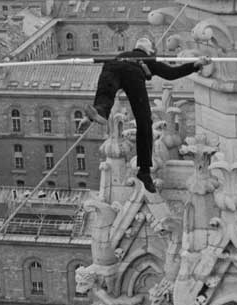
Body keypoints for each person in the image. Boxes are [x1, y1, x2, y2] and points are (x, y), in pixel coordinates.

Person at [85, 37, 210, 193]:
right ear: (149, 50)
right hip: (133, 72)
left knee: (106, 92)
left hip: (111, 66)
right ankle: (144, 171)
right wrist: (194, 65)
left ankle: (100, 111)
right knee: (144, 122)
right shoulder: (146, 58)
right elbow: (171, 73)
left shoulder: (122, 54)